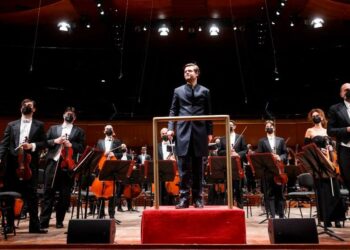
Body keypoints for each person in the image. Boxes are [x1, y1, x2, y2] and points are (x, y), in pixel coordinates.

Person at [167, 62, 213, 209]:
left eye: (190, 71)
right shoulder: (178, 91)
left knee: (199, 167)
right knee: (183, 168)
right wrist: (170, 128)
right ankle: (184, 199)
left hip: (200, 132)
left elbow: (209, 113)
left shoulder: (205, 91)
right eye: (185, 71)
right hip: (182, 131)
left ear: (197, 73)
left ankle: (198, 198)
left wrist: (210, 132)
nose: (186, 73)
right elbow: (173, 111)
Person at [0, 98, 48, 234]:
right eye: (24, 105)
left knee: (32, 196)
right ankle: (9, 225)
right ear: (21, 108)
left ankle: (34, 226)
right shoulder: (11, 125)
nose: (27, 107)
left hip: (29, 164)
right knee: (9, 197)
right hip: (12, 165)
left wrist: (31, 145)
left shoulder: (39, 125)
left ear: (34, 109)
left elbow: (44, 143)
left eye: (30, 106)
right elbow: (4, 144)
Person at [40, 107, 86, 229]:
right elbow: (44, 142)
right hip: (52, 164)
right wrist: (55, 140)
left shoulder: (79, 131)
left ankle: (59, 221)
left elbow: (82, 147)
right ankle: (43, 222)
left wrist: (71, 145)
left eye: (71, 114)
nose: (69, 115)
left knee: (64, 196)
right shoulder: (53, 128)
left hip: (68, 166)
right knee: (48, 194)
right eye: (67, 113)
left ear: (74, 118)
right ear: (63, 115)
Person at [305, 108, 345, 228]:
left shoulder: (328, 131)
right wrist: (318, 150)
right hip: (319, 164)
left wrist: (332, 148)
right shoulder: (309, 131)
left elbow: (335, 145)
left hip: (331, 163)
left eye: (317, 115)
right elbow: (306, 148)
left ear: (322, 117)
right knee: (323, 191)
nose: (316, 117)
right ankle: (326, 219)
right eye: (313, 116)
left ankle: (337, 218)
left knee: (335, 191)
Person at [256, 120, 287, 218]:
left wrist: (280, 157)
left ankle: (281, 215)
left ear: (274, 128)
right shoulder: (262, 141)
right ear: (265, 128)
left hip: (279, 170)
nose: (269, 128)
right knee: (270, 194)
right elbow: (259, 155)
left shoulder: (281, 140)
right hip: (268, 170)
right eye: (267, 126)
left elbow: (285, 153)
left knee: (280, 194)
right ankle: (272, 216)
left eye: (270, 126)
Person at [93, 125, 122, 219]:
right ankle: (100, 213)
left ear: (113, 131)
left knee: (112, 193)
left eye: (110, 128)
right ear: (104, 131)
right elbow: (96, 154)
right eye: (106, 128)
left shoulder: (117, 141)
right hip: (101, 168)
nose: (108, 129)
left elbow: (121, 154)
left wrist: (114, 153)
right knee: (100, 191)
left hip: (112, 169)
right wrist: (103, 153)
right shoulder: (99, 141)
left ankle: (111, 215)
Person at [217, 120, 247, 208]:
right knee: (227, 188)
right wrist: (228, 152)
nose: (229, 126)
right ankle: (228, 207)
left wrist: (237, 154)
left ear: (234, 127)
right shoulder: (222, 139)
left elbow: (245, 150)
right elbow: (219, 152)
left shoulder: (240, 137)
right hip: (226, 166)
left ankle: (240, 207)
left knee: (238, 188)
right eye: (227, 125)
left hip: (237, 166)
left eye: (231, 125)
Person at [327, 83, 350, 198]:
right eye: (346, 90)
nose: (349, 91)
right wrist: (346, 129)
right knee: (347, 179)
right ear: (341, 94)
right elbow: (330, 131)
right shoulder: (335, 109)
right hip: (345, 149)